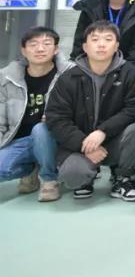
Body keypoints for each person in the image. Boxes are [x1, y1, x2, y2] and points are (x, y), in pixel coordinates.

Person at [45, 21, 135, 201]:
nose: (101, 44)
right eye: (95, 39)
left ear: (117, 46)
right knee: (73, 177)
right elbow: (57, 118)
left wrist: (102, 131)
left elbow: (133, 109)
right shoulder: (69, 78)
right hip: (80, 144)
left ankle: (122, 178)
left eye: (108, 39)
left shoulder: (130, 73)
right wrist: (83, 144)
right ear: (85, 46)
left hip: (114, 141)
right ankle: (86, 179)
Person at [0, 27, 72, 202]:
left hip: (54, 138)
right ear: (23, 50)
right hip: (20, 140)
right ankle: (31, 170)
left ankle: (49, 180)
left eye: (46, 44)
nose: (40, 49)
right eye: (33, 44)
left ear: (56, 49)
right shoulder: (7, 78)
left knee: (41, 129)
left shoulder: (70, 75)